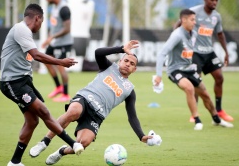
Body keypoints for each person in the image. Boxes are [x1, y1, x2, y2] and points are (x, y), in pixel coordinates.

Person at [29, 40, 157, 165]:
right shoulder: (108, 67)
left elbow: (132, 116)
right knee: (73, 112)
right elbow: (98, 52)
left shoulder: (130, 90)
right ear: (120, 61)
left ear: (134, 69)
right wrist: (121, 48)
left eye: (132, 63)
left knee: (82, 143)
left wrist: (141, 136)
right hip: (85, 98)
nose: (128, 64)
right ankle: (44, 142)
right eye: (126, 60)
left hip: (97, 116)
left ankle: (62, 151)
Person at [0, 4, 84, 166]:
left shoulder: (25, 32)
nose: (41, 25)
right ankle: (73, 143)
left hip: (24, 81)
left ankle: (15, 162)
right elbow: (36, 55)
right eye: (42, 21)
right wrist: (61, 62)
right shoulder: (21, 29)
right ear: (37, 18)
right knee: (44, 111)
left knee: (32, 121)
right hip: (12, 82)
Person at [154, 9, 233, 131]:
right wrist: (158, 75)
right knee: (189, 88)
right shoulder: (177, 35)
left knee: (205, 95)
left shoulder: (194, 33)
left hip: (189, 69)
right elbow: (161, 54)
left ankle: (216, 119)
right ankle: (197, 120)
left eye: (195, 19)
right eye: (192, 19)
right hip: (175, 70)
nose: (194, 22)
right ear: (184, 20)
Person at [175, 0, 233, 122]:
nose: (214, 2)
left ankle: (219, 110)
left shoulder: (216, 16)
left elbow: (220, 34)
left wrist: (226, 52)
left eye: (216, 0)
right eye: (212, 0)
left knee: (219, 78)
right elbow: (179, 24)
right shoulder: (194, 11)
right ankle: (194, 113)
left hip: (209, 52)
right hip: (194, 52)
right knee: (195, 82)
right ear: (205, 0)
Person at [42, 0, 73, 102]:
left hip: (64, 43)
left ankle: (65, 94)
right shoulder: (55, 8)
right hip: (55, 42)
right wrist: (50, 38)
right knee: (45, 60)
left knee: (61, 67)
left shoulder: (64, 8)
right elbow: (55, 26)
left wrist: (52, 37)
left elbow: (67, 29)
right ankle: (58, 87)